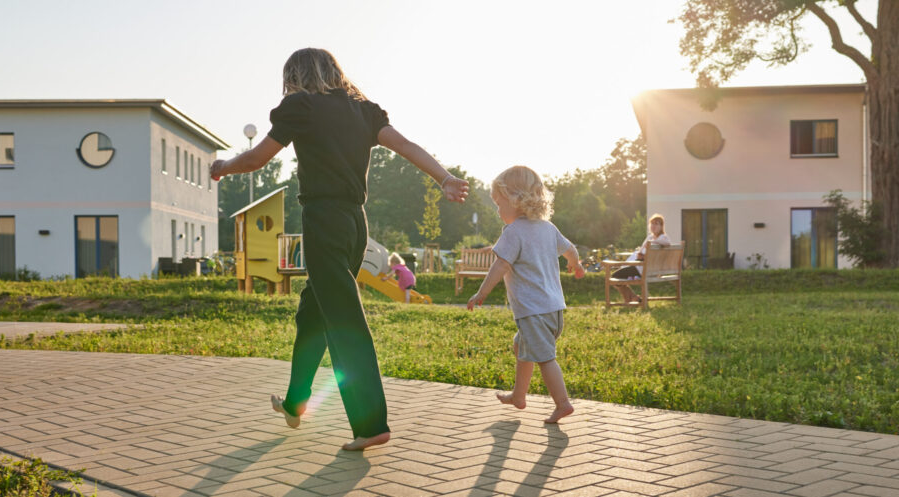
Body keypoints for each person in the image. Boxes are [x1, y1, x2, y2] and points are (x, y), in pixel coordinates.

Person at [209, 48, 469, 451]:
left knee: (344, 319)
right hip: (354, 224)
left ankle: (370, 424)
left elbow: (259, 159)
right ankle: (295, 403)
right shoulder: (363, 111)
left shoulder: (300, 106)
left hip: (324, 221)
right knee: (313, 312)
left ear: (294, 76)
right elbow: (406, 145)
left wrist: (224, 165)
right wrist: (445, 177)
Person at [466, 165, 584, 424]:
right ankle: (519, 396)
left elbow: (501, 265)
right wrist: (575, 265)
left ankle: (563, 403)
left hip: (533, 311)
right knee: (521, 345)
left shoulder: (514, 232)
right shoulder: (548, 228)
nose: (497, 210)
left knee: (545, 358)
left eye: (499, 203)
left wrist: (481, 292)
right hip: (553, 309)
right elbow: (571, 249)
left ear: (515, 200)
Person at [612, 214, 671, 304]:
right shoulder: (650, 237)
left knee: (615, 277)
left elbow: (667, 243)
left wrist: (653, 241)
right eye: (652, 223)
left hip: (644, 269)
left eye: (656, 224)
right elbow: (642, 251)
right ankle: (633, 298)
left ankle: (630, 299)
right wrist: (641, 254)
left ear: (661, 226)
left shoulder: (662, 237)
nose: (653, 226)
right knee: (617, 277)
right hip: (641, 266)